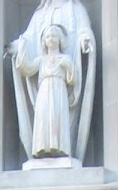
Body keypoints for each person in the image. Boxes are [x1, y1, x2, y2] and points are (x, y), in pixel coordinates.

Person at [7, 0, 96, 164]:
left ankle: (66, 149)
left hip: (67, 78)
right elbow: (28, 39)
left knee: (63, 120)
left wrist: (85, 39)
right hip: (45, 81)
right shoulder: (40, 14)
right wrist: (18, 47)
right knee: (44, 117)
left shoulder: (76, 9)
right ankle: (43, 150)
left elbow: (84, 29)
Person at [14, 25, 76, 157]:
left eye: (54, 35)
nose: (51, 39)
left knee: (58, 117)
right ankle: (42, 148)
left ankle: (60, 148)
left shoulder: (65, 59)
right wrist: (21, 48)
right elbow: (28, 68)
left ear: (60, 39)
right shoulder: (41, 60)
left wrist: (69, 66)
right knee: (43, 118)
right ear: (44, 41)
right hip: (44, 91)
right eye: (47, 36)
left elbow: (72, 80)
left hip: (59, 90)